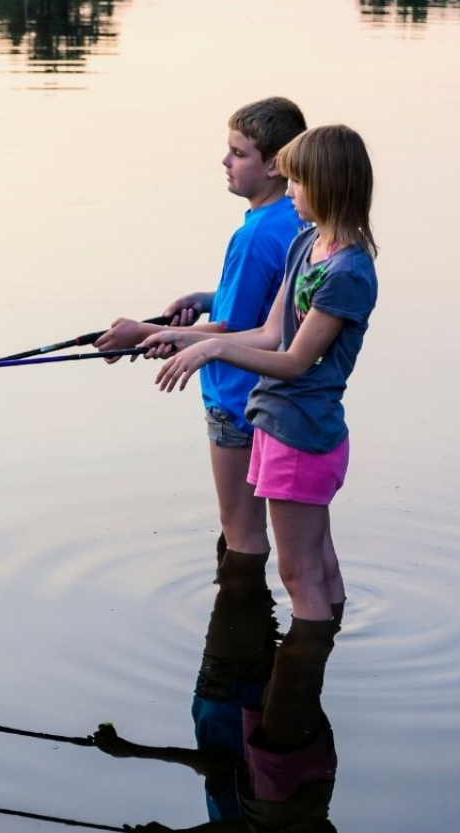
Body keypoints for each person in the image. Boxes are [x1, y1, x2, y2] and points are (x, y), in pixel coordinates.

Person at [139, 125, 379, 626]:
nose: (288, 193)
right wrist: (190, 340)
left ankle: (295, 691)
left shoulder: (347, 274)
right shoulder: (308, 245)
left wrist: (210, 350)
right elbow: (271, 333)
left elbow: (293, 362)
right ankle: (310, 671)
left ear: (327, 185)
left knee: (299, 576)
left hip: (302, 430)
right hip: (275, 421)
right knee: (318, 566)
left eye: (297, 183)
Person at [95, 97, 307, 567]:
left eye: (239, 153)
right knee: (254, 527)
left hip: (235, 400)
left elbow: (236, 329)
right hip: (276, 398)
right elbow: (269, 307)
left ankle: (239, 626)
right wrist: (205, 299)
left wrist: (140, 332)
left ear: (274, 165)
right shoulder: (295, 218)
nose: (225, 161)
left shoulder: (253, 237)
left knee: (241, 532)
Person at [93, 549, 341, 833]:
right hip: (228, 690)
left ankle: (281, 520)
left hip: (235, 693)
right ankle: (283, 520)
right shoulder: (248, 820)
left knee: (242, 575)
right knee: (238, 571)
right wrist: (132, 751)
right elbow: (220, 765)